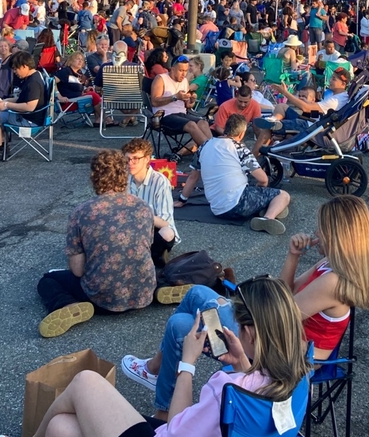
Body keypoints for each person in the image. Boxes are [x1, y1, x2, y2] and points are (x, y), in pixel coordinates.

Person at [0, 279, 310, 437]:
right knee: (61, 431)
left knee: (86, 381)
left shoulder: (230, 392)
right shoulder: (295, 380)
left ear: (251, 334)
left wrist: (187, 364)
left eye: (238, 327)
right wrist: (243, 364)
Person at [121, 196, 369, 422]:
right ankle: (157, 370)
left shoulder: (334, 282)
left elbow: (278, 316)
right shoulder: (330, 265)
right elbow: (284, 293)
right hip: (280, 337)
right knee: (197, 293)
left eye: (322, 228)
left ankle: (165, 409)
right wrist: (293, 255)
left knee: (182, 326)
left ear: (339, 235)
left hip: (283, 357)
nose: (316, 232)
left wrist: (231, 309)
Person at [35, 150, 157, 338]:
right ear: (124, 175)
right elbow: (147, 246)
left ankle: (67, 303)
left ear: (94, 177)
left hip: (102, 298)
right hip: (143, 292)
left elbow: (77, 271)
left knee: (48, 281)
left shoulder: (82, 212)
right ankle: (162, 288)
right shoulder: (143, 207)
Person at [177, 113, 290, 233]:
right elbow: (263, 179)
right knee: (283, 195)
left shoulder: (204, 145)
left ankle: (264, 207)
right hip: (239, 204)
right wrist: (260, 190)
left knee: (260, 197)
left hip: (217, 210)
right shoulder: (239, 148)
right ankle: (267, 218)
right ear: (241, 133)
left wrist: (182, 200)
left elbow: (193, 177)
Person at [122, 138, 180, 265]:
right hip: (132, 228)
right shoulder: (124, 180)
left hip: (154, 228)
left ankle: (148, 256)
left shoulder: (160, 182)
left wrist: (139, 214)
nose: (130, 163)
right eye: (127, 159)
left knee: (167, 233)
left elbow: (165, 222)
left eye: (136, 158)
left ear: (147, 159)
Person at [0, 51, 47, 155]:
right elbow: (24, 98)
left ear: (24, 66)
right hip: (28, 117)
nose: (14, 71)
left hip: (28, 121)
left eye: (16, 68)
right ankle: (2, 144)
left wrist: (6, 105)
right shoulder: (35, 75)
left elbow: (30, 107)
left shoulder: (33, 83)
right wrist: (6, 101)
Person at [150, 55, 213, 157]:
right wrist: (175, 97)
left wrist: (191, 100)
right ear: (172, 69)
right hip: (165, 116)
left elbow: (187, 105)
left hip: (181, 114)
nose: (184, 74)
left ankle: (212, 148)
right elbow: (154, 101)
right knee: (191, 124)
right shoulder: (161, 79)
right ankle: (210, 153)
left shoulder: (184, 81)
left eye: (186, 70)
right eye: (181, 70)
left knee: (203, 122)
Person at [55, 51, 103, 124]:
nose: (80, 61)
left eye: (82, 59)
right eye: (78, 59)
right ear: (71, 60)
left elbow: (74, 89)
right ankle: (106, 119)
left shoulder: (78, 74)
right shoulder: (66, 71)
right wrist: (59, 96)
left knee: (96, 93)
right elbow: (52, 81)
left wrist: (85, 90)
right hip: (69, 102)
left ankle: (98, 119)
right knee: (93, 96)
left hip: (77, 100)